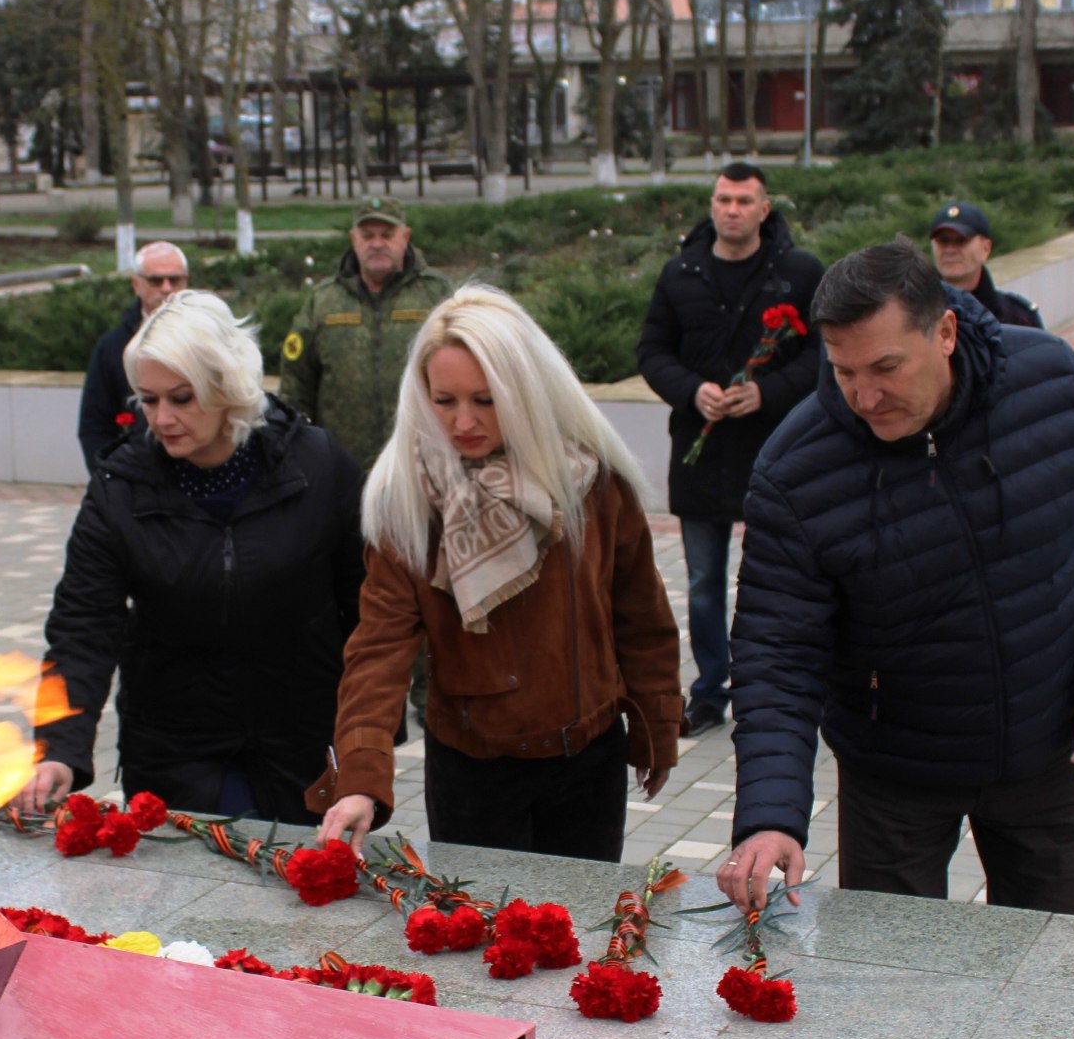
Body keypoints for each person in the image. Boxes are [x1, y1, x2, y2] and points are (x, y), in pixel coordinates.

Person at [717, 240, 1074, 918]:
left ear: (946, 332)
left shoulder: (1053, 383)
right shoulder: (797, 470)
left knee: (1044, 966)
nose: (866, 396)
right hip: (894, 770)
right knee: (893, 979)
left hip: (1047, 747)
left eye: (887, 367)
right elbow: (776, 653)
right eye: (843, 372)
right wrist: (770, 815)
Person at [310, 286, 682, 863]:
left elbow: (639, 613)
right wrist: (361, 777)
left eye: (486, 400)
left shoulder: (591, 477)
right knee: (479, 942)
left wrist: (656, 725)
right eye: (445, 400)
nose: (463, 422)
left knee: (575, 939)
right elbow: (378, 646)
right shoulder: (406, 495)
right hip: (474, 772)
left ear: (527, 391)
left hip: (588, 763)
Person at [17, 290, 365, 823]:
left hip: (302, 737)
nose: (162, 417)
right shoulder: (121, 484)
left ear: (227, 387)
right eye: (148, 399)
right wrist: (60, 746)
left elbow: (366, 607)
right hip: (173, 744)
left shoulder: (316, 464)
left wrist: (369, 741)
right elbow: (83, 622)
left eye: (182, 398)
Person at [634, 159, 824, 738]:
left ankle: (782, 689)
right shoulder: (682, 272)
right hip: (701, 452)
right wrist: (694, 392)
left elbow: (823, 356)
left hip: (777, 452)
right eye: (723, 199)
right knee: (703, 583)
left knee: (783, 580)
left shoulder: (798, 271)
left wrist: (766, 393)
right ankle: (710, 691)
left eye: (744, 201)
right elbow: (651, 351)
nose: (732, 210)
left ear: (765, 209)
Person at [278, 197, 455, 471]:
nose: (377, 243)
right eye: (367, 235)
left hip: (423, 467)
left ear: (405, 237)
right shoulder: (323, 302)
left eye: (387, 234)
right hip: (341, 472)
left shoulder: (438, 295)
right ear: (353, 238)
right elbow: (296, 386)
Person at [76, 242, 191, 472]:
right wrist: (109, 482)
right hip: (135, 480)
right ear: (136, 284)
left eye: (174, 280)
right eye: (156, 281)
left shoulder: (212, 341)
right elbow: (95, 426)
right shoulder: (111, 348)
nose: (167, 288)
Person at [926, 202, 1043, 330]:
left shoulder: (1018, 318)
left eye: (961, 241)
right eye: (943, 241)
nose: (950, 250)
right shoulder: (913, 314)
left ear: (986, 248)